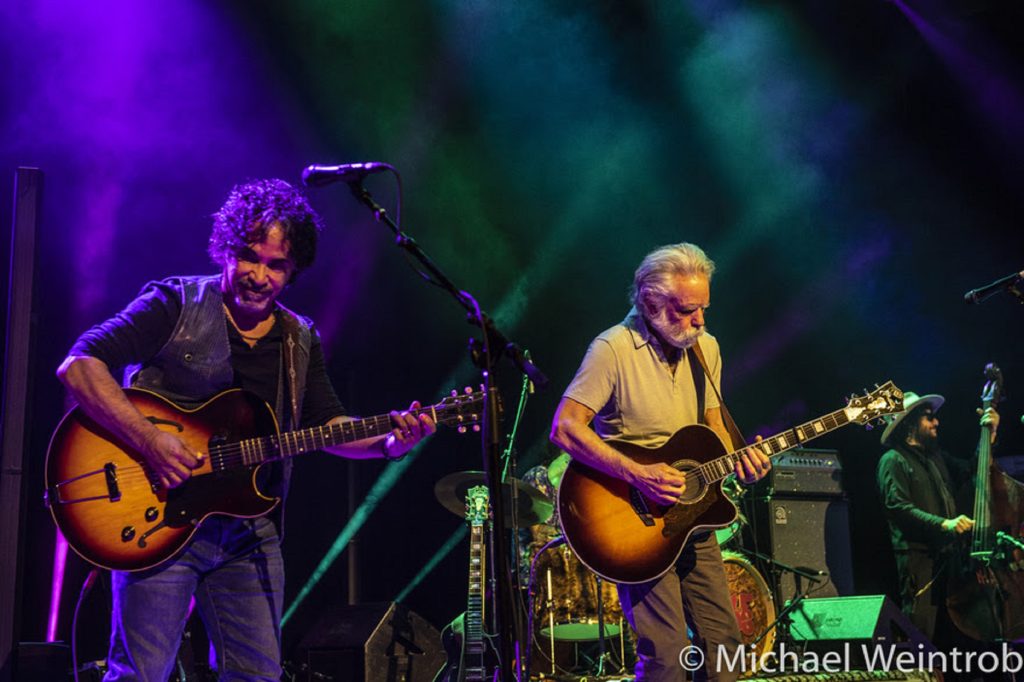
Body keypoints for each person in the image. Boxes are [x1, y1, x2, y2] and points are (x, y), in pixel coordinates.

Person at [57, 178, 436, 681]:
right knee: (140, 675)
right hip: (158, 518)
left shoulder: (299, 339)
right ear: (226, 249)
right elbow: (80, 364)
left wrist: (391, 442)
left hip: (248, 535)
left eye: (275, 265)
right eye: (249, 257)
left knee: (258, 676)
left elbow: (329, 426)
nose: (258, 275)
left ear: (294, 268)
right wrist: (149, 440)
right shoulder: (175, 303)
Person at [549, 243, 770, 682]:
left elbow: (712, 426)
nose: (700, 321)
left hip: (694, 515)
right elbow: (565, 428)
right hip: (633, 521)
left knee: (724, 644)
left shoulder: (706, 347)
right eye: (689, 310)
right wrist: (638, 473)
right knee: (667, 654)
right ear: (651, 302)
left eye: (704, 308)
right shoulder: (611, 349)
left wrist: (739, 463)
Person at [876, 391, 999, 646]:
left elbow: (971, 470)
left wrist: (990, 434)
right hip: (919, 562)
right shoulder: (893, 460)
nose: (936, 422)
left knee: (957, 635)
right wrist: (945, 524)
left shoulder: (935, 457)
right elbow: (897, 506)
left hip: (949, 559)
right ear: (910, 424)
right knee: (922, 636)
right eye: (928, 417)